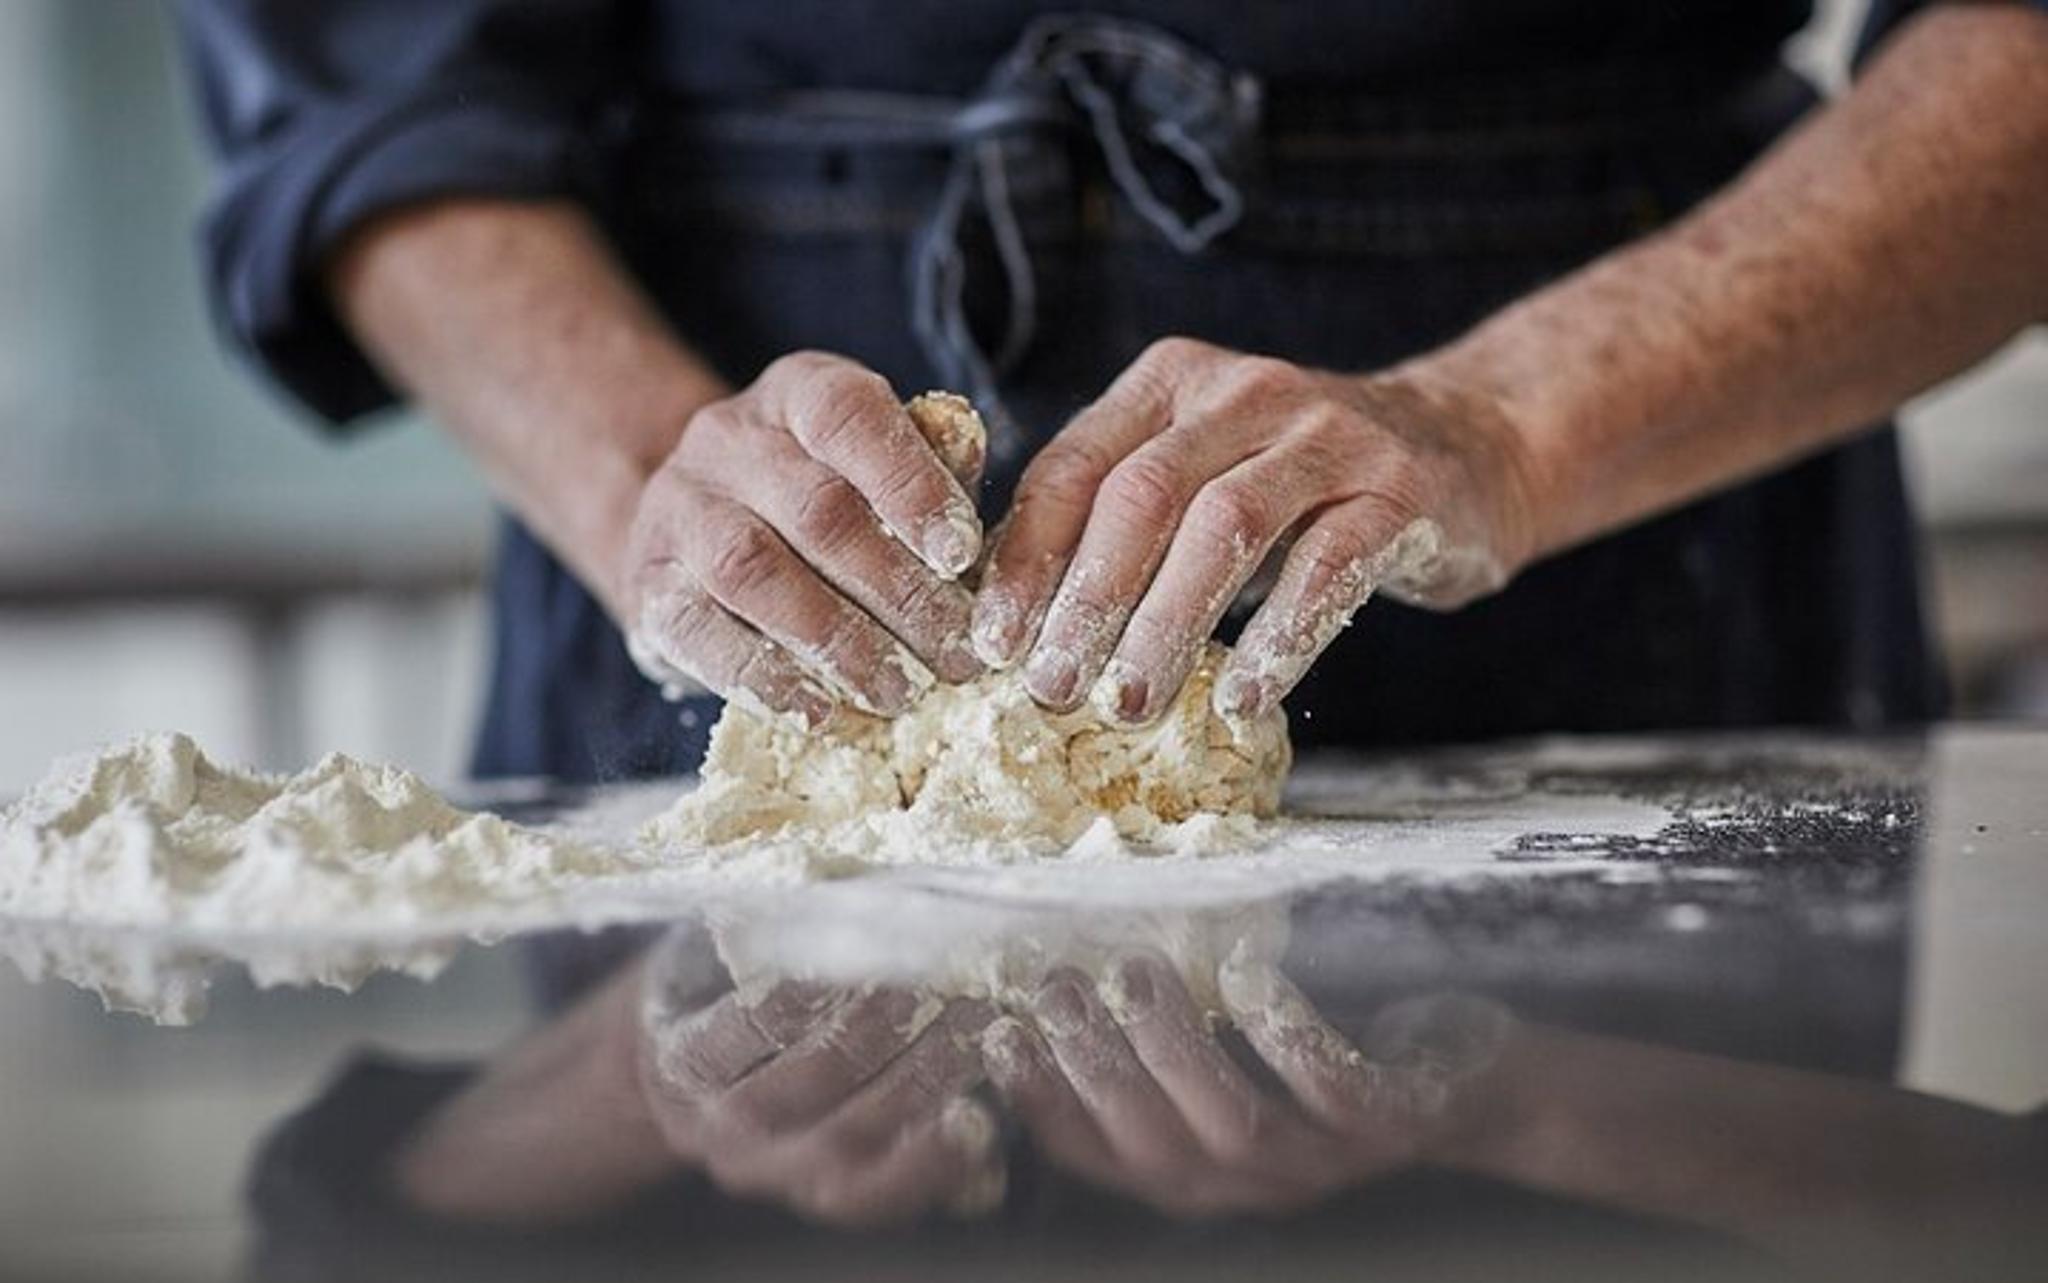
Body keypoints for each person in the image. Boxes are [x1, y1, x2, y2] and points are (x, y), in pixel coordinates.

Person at [175, 2, 2048, 798]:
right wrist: (649, 473)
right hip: (700, 470)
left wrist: (1502, 425)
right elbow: (368, 100)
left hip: (1630, 499)